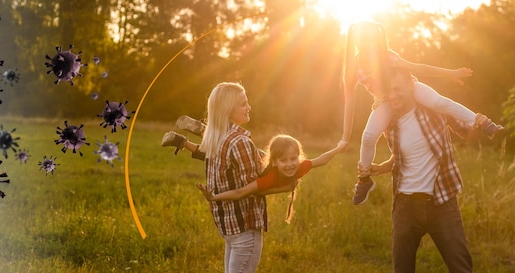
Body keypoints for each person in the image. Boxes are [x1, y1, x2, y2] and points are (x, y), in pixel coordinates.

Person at [341, 20, 504, 205]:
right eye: (363, 41)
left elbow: (420, 68)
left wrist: (451, 74)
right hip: (384, 101)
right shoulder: (353, 66)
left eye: (370, 40)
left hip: (410, 88)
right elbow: (349, 102)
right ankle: (364, 181)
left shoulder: (387, 56)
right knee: (368, 137)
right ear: (356, 42)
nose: (367, 45)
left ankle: (483, 123)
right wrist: (345, 138)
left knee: (438, 102)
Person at [369, 67, 490, 273]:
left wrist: (478, 125)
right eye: (389, 91)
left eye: (398, 89)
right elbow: (403, 155)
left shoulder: (436, 108)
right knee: (402, 269)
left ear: (411, 86)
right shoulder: (390, 119)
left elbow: (467, 133)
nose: (393, 95)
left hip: (441, 203)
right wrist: (382, 168)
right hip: (405, 206)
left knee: (461, 267)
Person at [196, 81, 267, 273]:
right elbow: (253, 186)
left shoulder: (215, 138)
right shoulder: (240, 141)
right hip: (244, 226)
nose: (249, 107)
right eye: (243, 104)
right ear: (228, 110)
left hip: (227, 226)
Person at [196, 134, 345, 223]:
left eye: (293, 158)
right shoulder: (269, 178)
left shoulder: (300, 166)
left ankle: (196, 138)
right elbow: (240, 192)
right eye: (283, 160)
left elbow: (322, 159)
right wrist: (213, 197)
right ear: (275, 162)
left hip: (264, 160)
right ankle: (204, 133)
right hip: (256, 161)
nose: (290, 164)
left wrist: (339, 147)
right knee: (223, 153)